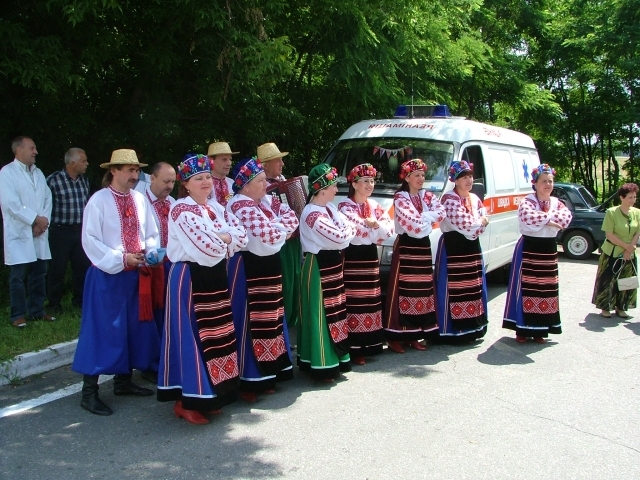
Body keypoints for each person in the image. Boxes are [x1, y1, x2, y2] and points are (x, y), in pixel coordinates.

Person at [157, 154, 247, 425]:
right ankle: (186, 400)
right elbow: (207, 249)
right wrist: (225, 239)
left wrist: (223, 238)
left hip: (214, 277)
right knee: (192, 337)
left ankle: (211, 395)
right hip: (190, 277)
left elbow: (242, 236)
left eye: (208, 176)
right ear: (186, 184)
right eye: (199, 178)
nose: (206, 181)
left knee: (216, 336)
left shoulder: (216, 208)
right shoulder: (181, 210)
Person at [72, 149, 161, 416]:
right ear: (114, 171)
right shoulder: (98, 201)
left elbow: (151, 233)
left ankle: (123, 381)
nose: (134, 175)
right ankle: (89, 393)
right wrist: (121, 259)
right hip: (107, 276)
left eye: (136, 170)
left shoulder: (140, 200)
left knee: (133, 328)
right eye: (129, 170)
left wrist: (149, 252)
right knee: (103, 330)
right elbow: (90, 241)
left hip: (136, 275)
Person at [227, 157, 297, 401]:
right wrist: (278, 227)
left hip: (268, 264)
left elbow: (292, 219)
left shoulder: (266, 201)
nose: (266, 185)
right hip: (250, 267)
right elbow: (268, 235)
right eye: (260, 181)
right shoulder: (241, 205)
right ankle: (250, 378)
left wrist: (275, 225)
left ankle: (269, 372)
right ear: (246, 186)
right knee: (250, 320)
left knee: (272, 317)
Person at [503, 164, 573, 343]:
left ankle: (540, 330)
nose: (548, 184)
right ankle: (522, 329)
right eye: (544, 181)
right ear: (535, 183)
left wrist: (543, 220)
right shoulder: (527, 201)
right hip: (529, 247)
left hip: (548, 250)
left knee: (546, 289)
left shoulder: (557, 202)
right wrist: (550, 220)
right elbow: (528, 218)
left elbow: (566, 218)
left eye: (550, 181)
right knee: (526, 287)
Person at [298, 164, 355, 382]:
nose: (336, 190)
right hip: (318, 266)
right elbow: (340, 237)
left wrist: (344, 233)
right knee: (320, 313)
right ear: (321, 189)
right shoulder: (312, 213)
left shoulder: (330, 209)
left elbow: (347, 230)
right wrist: (345, 233)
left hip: (332, 264)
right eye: (332, 186)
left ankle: (335, 358)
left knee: (336, 311)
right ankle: (321, 363)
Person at [383, 159, 445, 353]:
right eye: (416, 175)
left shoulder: (426, 195)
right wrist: (427, 218)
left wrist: (423, 218)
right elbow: (413, 224)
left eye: (422, 175)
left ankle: (416, 333)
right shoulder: (400, 197)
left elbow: (441, 211)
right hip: (408, 247)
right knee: (404, 289)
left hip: (422, 247)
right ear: (407, 177)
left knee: (422, 290)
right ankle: (396, 335)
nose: (421, 179)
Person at [338, 163, 394, 364]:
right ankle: (355, 347)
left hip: (370, 255)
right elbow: (355, 230)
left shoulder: (376, 206)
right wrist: (371, 227)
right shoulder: (345, 206)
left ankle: (370, 344)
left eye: (372, 181)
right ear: (354, 183)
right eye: (365, 181)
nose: (370, 184)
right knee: (355, 299)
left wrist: (373, 226)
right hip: (354, 256)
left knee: (371, 297)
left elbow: (388, 230)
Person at [0, 136, 53, 328]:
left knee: (39, 273)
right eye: (32, 148)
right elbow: (10, 203)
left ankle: (37, 310)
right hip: (20, 231)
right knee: (18, 276)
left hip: (39, 231)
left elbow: (48, 197)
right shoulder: (7, 173)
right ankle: (18, 314)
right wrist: (34, 220)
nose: (35, 152)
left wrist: (43, 221)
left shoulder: (37, 173)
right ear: (19, 150)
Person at [434, 160, 489, 343]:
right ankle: (453, 331)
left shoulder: (474, 198)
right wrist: (479, 223)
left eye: (470, 177)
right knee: (453, 287)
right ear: (455, 180)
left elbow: (484, 216)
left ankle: (473, 327)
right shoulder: (449, 199)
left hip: (471, 247)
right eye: (464, 177)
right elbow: (464, 224)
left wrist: (478, 223)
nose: (468, 180)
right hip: (454, 246)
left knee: (473, 286)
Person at [258, 142, 302, 327]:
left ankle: (291, 321)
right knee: (285, 281)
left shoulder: (283, 182)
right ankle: (284, 324)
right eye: (278, 161)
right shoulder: (262, 189)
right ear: (265, 165)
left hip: (293, 241)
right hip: (279, 242)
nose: (282, 164)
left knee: (294, 280)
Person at [139, 162, 176, 382]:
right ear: (152, 178)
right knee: (151, 314)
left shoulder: (172, 202)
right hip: (149, 266)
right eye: (165, 181)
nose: (170, 186)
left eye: (173, 182)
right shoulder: (141, 202)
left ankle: (165, 359)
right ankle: (150, 364)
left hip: (170, 264)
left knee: (168, 315)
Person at [45, 147, 91, 315]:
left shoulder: (84, 180)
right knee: (57, 269)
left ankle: (80, 301)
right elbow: (45, 205)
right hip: (60, 231)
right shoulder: (53, 180)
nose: (87, 164)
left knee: (82, 267)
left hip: (79, 230)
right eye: (83, 161)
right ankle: (53, 304)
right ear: (73, 163)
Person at [592, 182, 640, 319]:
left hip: (629, 253)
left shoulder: (637, 213)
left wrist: (630, 249)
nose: (632, 200)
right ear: (622, 197)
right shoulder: (612, 212)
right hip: (612, 251)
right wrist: (626, 247)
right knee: (608, 280)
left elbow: (637, 232)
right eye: (630, 197)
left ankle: (621, 307)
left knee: (627, 280)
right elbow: (609, 235)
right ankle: (605, 307)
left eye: (634, 197)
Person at [207, 142, 238, 206]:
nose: (229, 163)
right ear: (211, 161)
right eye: (224, 160)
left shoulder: (232, 184)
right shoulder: (204, 184)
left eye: (230, 159)